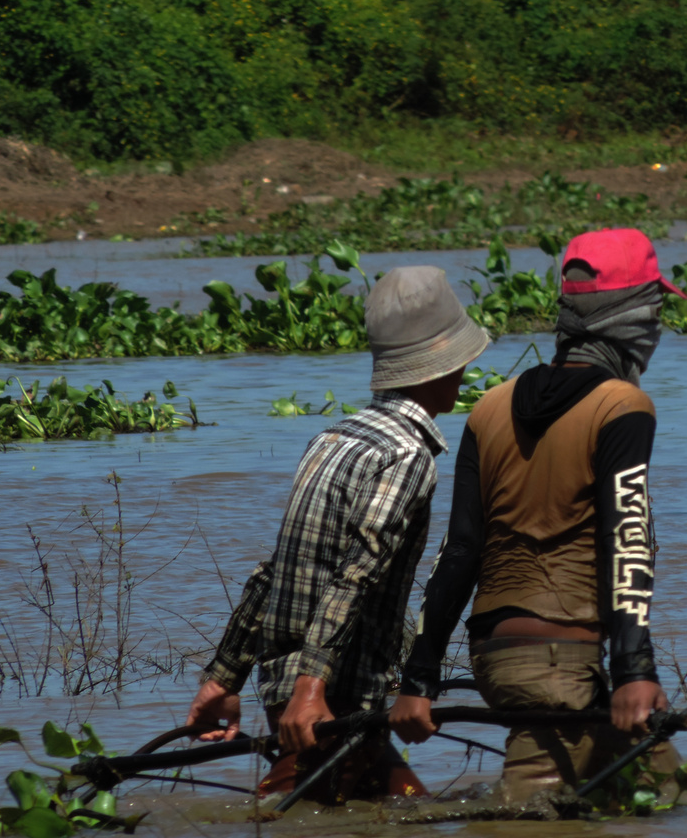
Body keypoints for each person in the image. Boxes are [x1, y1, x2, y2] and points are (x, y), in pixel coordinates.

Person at [391, 228, 685, 804]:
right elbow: (624, 541)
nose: (657, 331)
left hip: (496, 661)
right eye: (654, 313)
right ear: (630, 320)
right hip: (562, 664)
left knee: (668, 787)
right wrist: (634, 672)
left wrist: (417, 680)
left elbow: (459, 553)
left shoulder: (491, 406)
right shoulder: (623, 407)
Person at [184, 266, 488, 803]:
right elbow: (356, 578)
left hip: (301, 684)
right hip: (331, 696)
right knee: (291, 811)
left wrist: (223, 677)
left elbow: (277, 570)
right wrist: (312, 689)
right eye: (461, 363)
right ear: (442, 364)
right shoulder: (407, 455)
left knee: (388, 816)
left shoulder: (333, 438)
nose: (465, 374)